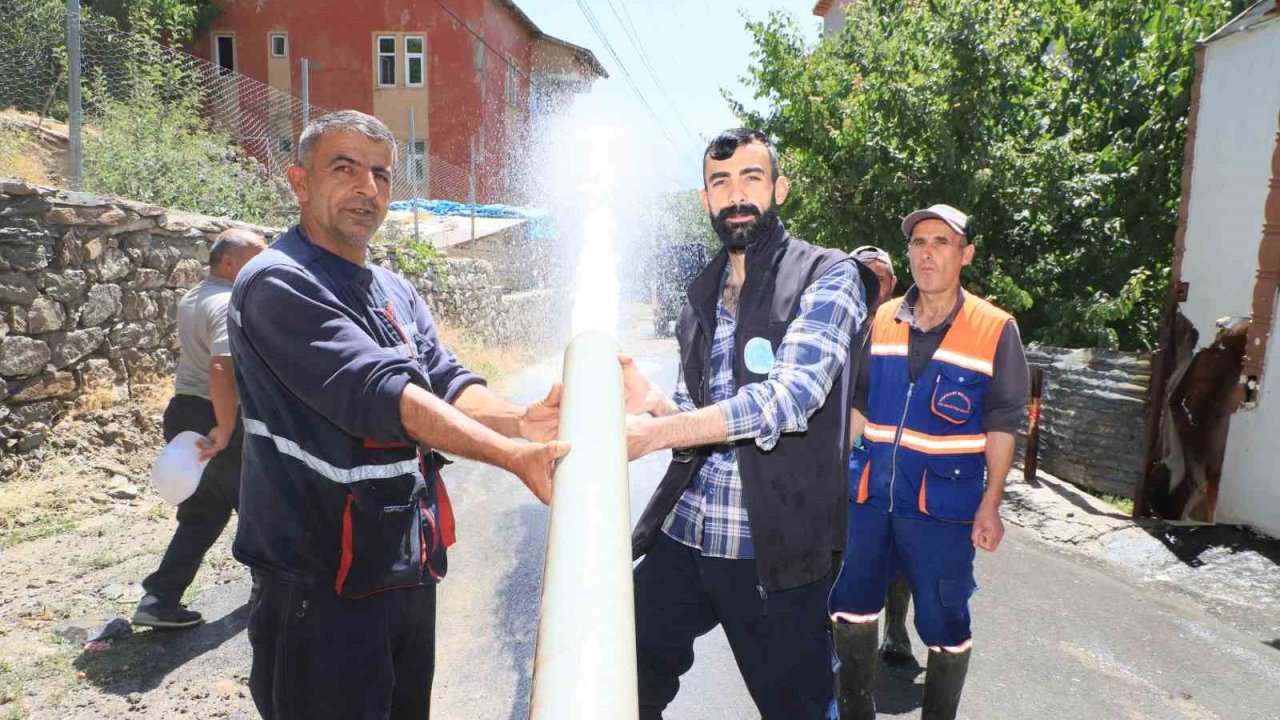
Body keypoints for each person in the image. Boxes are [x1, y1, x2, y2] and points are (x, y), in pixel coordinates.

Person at [227, 110, 568, 720]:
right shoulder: (279, 282)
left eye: (382, 174)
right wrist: (511, 457)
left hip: (402, 566)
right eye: (345, 168)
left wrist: (522, 422)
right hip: (317, 584)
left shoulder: (391, 288)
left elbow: (447, 383)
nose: (368, 189)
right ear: (299, 181)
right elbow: (381, 395)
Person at [622, 128, 868, 719]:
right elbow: (698, 420)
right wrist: (656, 403)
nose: (737, 194)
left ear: (779, 188)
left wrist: (658, 433)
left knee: (799, 709)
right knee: (621, 681)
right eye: (721, 181)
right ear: (705, 198)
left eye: (751, 179)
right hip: (685, 534)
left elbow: (790, 399)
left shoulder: (828, 276)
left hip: (770, 550)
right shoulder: (699, 292)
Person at [828, 204, 1029, 720]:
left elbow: (1004, 422)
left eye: (941, 242)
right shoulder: (883, 318)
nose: (927, 253)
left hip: (943, 506)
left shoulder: (994, 328)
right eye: (919, 242)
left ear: (965, 254)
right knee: (850, 607)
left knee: (944, 624)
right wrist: (835, 478)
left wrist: (991, 504)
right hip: (870, 496)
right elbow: (859, 404)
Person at [132, 228, 266, 629]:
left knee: (204, 512)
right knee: (259, 502)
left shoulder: (195, 296)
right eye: (256, 255)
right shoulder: (227, 302)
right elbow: (222, 367)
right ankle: (272, 585)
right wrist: (225, 427)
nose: (264, 263)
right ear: (228, 262)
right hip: (216, 416)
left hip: (185, 412)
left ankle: (159, 599)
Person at [848, 245, 914, 663]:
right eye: (862, 276)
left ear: (892, 284)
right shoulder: (834, 324)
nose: (871, 284)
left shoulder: (912, 328)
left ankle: (895, 626)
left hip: (896, 454)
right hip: (846, 452)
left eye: (879, 276)